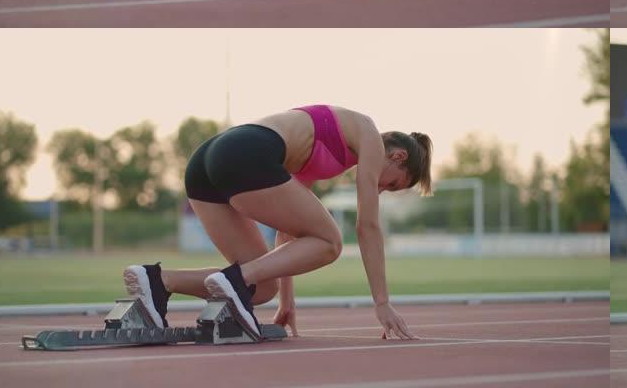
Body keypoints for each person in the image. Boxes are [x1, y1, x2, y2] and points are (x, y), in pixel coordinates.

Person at [123, 105, 432, 340]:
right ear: (399, 156)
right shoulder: (369, 135)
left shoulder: (325, 153)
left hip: (207, 162)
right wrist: (382, 302)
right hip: (244, 151)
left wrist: (286, 301)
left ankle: (158, 280)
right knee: (331, 242)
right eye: (392, 184)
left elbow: (288, 233)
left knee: (261, 288)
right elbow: (368, 226)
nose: (380, 189)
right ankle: (235, 281)